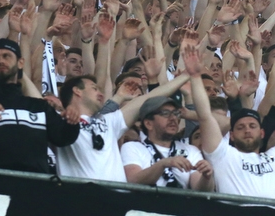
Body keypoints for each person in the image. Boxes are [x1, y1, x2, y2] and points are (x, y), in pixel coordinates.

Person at [185, 43, 275, 200]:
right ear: (231, 135)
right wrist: (195, 76)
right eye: (240, 127)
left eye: (252, 126)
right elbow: (205, 115)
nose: (247, 130)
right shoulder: (222, 155)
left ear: (261, 133)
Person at [0, 39, 80, 173]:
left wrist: (72, 121)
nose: (1, 61)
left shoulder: (39, 106)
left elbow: (62, 138)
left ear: (20, 63)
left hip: (35, 187)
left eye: (6, 56)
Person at [56, 71, 191, 182]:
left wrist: (187, 74)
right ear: (77, 91)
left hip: (116, 201)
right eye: (94, 88)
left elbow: (149, 98)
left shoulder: (109, 121)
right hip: (79, 199)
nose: (101, 94)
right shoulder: (57, 121)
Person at [121, 96, 214, 190]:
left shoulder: (190, 150)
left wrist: (206, 177)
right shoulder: (132, 147)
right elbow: (133, 181)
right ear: (148, 124)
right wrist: (163, 164)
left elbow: (200, 190)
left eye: (176, 113)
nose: (173, 118)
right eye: (165, 114)